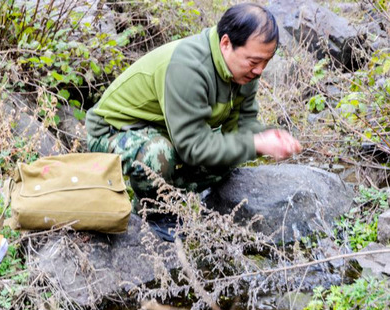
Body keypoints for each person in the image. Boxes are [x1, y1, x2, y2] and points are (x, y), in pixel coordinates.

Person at [86, 3, 302, 238]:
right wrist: (255, 144)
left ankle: (171, 191)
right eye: (253, 62)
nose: (259, 71)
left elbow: (241, 126)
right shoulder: (189, 68)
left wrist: (266, 138)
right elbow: (192, 147)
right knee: (157, 153)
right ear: (226, 43)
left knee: (228, 158)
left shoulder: (244, 72)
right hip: (112, 131)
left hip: (166, 130)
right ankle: (152, 213)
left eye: (265, 62)